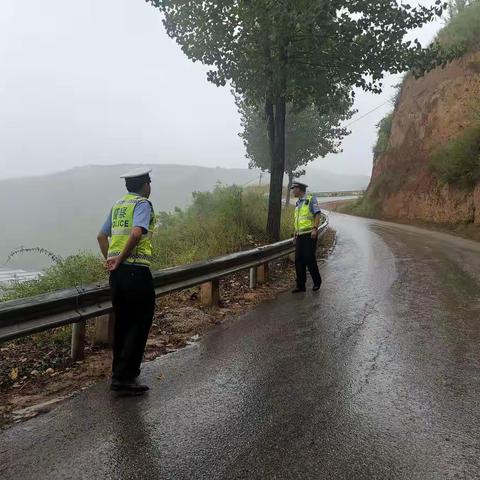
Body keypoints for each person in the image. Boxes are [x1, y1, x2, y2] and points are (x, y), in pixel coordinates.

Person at [97, 167, 156, 395]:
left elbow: (101, 236)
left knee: (122, 322)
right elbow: (136, 233)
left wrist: (111, 261)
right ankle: (125, 378)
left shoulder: (119, 205)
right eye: (149, 184)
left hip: (118, 276)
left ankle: (120, 373)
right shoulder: (142, 204)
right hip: (135, 273)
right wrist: (120, 259)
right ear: (145, 185)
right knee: (139, 322)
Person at [291, 181, 322, 293]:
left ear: (300, 189)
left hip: (310, 234)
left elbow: (317, 214)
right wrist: (295, 234)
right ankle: (301, 286)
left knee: (309, 258)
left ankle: (317, 282)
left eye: (294, 188)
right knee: (298, 260)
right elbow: (298, 221)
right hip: (300, 235)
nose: (292, 190)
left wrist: (315, 228)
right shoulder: (298, 203)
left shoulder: (310, 199)